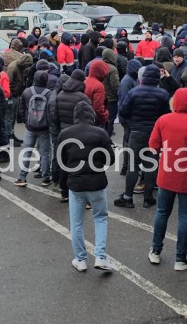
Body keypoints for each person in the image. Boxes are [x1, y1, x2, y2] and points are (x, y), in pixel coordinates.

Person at [148, 88, 187, 271]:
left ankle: (155, 251)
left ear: (174, 102)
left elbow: (153, 146)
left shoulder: (163, 120)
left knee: (162, 212)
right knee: (184, 217)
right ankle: (180, 259)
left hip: (166, 174)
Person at [56, 100, 114, 273]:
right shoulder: (100, 133)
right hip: (97, 183)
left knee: (77, 223)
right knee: (100, 218)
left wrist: (63, 186)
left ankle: (80, 259)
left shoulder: (65, 134)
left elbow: (60, 162)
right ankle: (100, 256)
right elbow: (110, 159)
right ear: (91, 115)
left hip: (76, 184)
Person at [114, 65, 170, 209]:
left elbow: (123, 111)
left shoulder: (134, 92)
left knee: (133, 165)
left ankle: (128, 197)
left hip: (136, 132)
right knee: (151, 165)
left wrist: (132, 122)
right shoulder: (163, 94)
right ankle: (148, 198)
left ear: (143, 77)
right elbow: (167, 114)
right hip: (154, 133)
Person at [14, 70, 56, 187]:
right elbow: (52, 111)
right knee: (45, 153)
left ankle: (22, 177)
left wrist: (26, 121)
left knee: (27, 151)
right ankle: (46, 178)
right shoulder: (50, 94)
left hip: (30, 127)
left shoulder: (27, 92)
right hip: (44, 127)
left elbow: (21, 108)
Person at [5, 53, 33, 142]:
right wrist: (11, 94)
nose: (28, 66)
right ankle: (8, 136)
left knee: (13, 116)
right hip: (11, 95)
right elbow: (8, 82)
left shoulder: (21, 67)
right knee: (9, 117)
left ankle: (11, 134)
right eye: (27, 64)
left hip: (16, 94)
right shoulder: (13, 67)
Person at [101, 49, 120, 136]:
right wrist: (118, 96)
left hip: (102, 97)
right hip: (111, 98)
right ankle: (107, 137)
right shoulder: (112, 69)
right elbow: (115, 86)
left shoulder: (100, 66)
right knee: (110, 119)